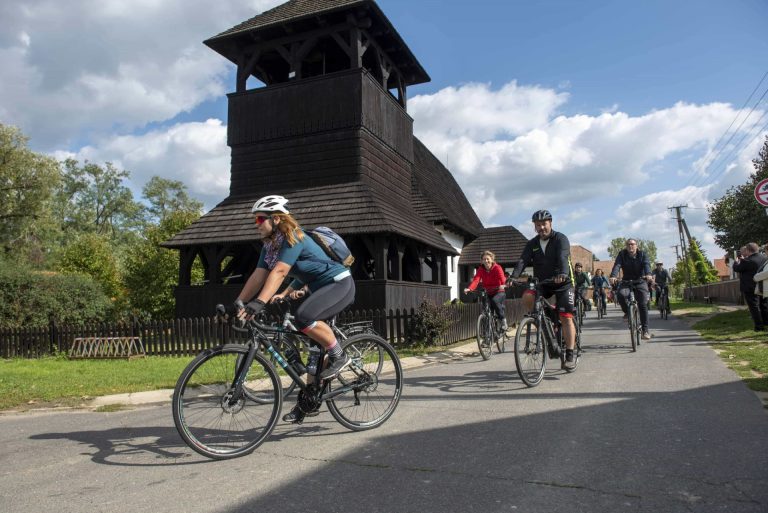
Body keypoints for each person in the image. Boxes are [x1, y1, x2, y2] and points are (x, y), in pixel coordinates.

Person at [235, 195, 355, 423]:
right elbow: (259, 275)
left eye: (260, 219)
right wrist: (240, 301)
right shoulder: (270, 247)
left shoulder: (293, 238)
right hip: (319, 289)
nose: (256, 224)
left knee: (304, 317)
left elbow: (279, 272)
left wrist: (258, 302)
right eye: (256, 220)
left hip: (340, 285)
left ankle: (340, 355)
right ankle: (308, 402)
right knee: (313, 357)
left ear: (277, 219)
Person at [511, 210, 578, 370]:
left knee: (565, 317)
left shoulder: (560, 239)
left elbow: (563, 256)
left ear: (550, 223)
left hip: (563, 283)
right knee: (527, 295)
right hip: (543, 284)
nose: (541, 227)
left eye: (544, 224)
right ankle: (537, 319)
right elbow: (523, 260)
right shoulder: (532, 244)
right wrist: (513, 276)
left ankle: (569, 353)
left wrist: (562, 273)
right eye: (538, 225)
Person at [609, 238, 653, 340]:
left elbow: (646, 265)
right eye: (628, 244)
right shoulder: (622, 254)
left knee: (642, 304)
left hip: (640, 281)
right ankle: (627, 312)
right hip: (626, 281)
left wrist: (648, 274)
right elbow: (617, 265)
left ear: (636, 245)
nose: (630, 246)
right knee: (620, 294)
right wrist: (613, 276)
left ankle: (645, 331)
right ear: (626, 246)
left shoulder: (642, 254)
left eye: (632, 244)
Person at [464, 250, 509, 331]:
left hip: (499, 291)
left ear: (492, 259)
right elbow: (476, 280)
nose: (486, 261)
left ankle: (502, 320)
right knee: (486, 312)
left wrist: (504, 284)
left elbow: (503, 279)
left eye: (488, 259)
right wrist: (469, 288)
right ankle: (487, 336)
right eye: (484, 259)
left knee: (495, 301)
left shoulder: (497, 268)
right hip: (487, 292)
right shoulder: (481, 270)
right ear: (482, 261)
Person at [732, 242, 768, 331]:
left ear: (747, 250)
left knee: (754, 307)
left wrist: (736, 262)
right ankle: (766, 323)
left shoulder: (747, 261)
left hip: (750, 287)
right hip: (763, 286)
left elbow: (737, 268)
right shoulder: (765, 258)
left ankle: (759, 327)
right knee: (764, 305)